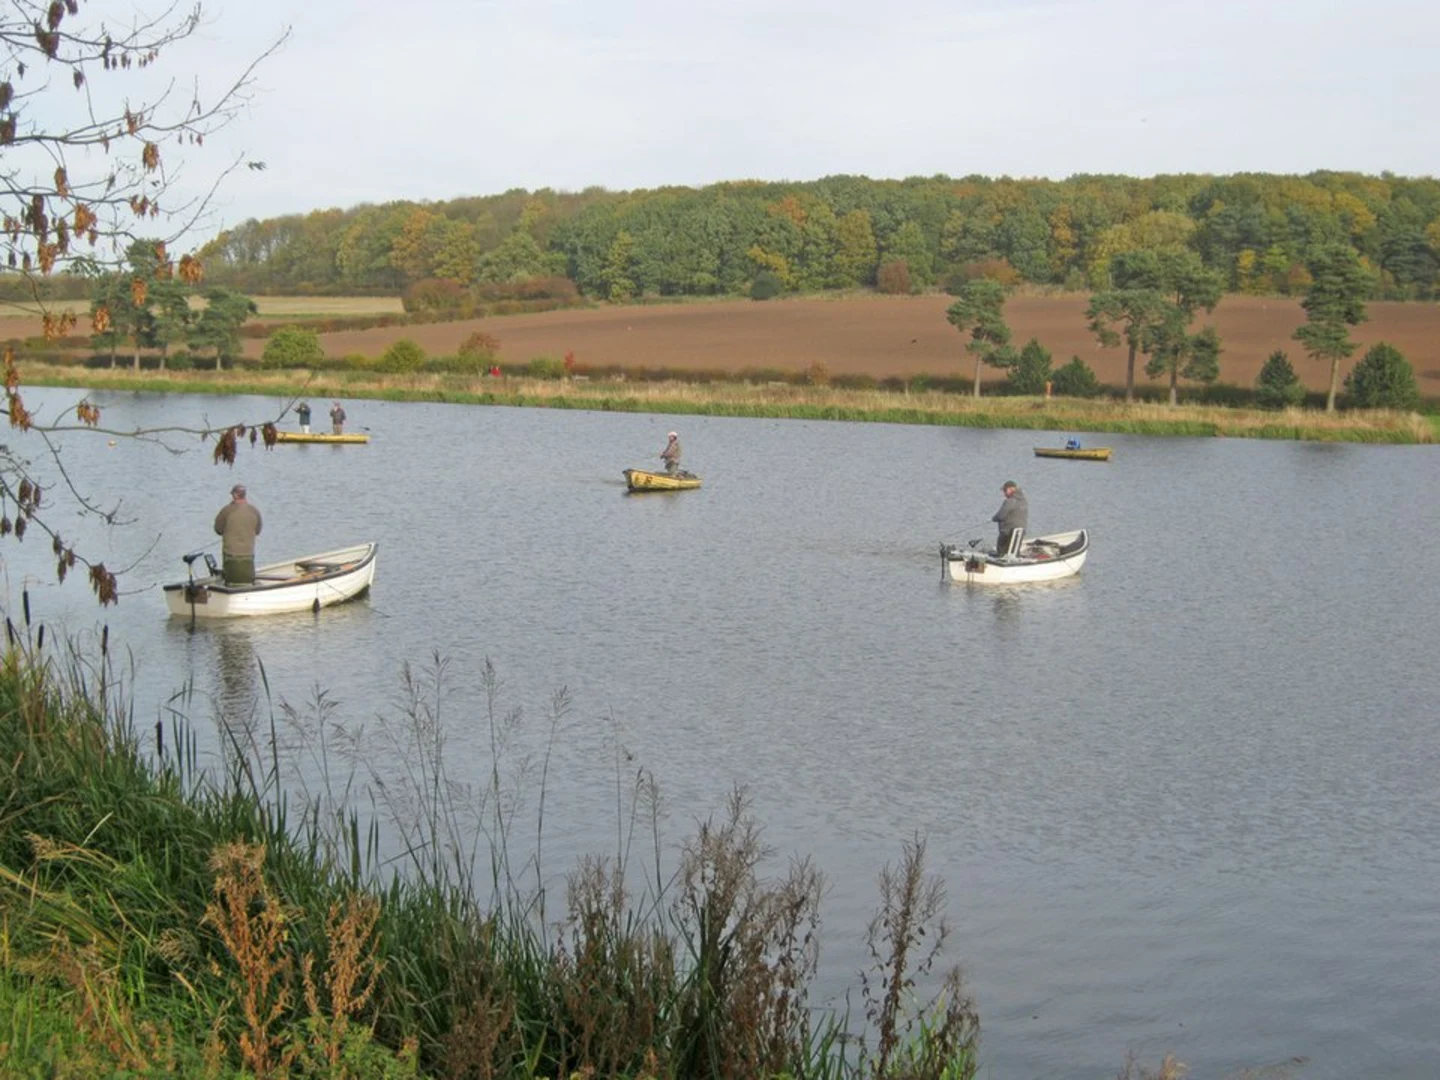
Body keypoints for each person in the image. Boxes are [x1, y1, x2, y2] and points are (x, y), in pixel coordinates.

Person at [213, 483, 262, 585]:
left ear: (235, 495)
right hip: (248, 556)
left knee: (229, 574)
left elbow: (218, 530)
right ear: (244, 495)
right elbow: (258, 531)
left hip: (230, 557)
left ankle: (228, 582)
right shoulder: (254, 511)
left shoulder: (226, 510)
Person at [992, 480, 1028, 557]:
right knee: (1014, 550)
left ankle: (1001, 557)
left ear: (1011, 489)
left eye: (1005, 490)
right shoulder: (1024, 501)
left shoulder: (1010, 501)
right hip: (1020, 532)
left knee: (1001, 551)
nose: (1004, 493)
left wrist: (994, 518)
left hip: (1008, 533)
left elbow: (1001, 516)